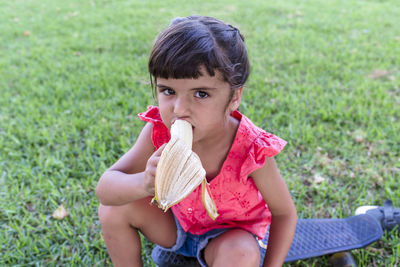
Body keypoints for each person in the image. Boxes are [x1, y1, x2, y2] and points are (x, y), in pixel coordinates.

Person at [96, 16, 297, 267]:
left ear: (234, 97)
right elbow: (105, 190)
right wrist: (144, 183)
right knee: (115, 208)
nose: (180, 109)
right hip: (176, 228)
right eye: (168, 91)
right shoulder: (158, 131)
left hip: (229, 239)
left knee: (239, 254)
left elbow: (284, 213)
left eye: (201, 94)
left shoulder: (249, 148)